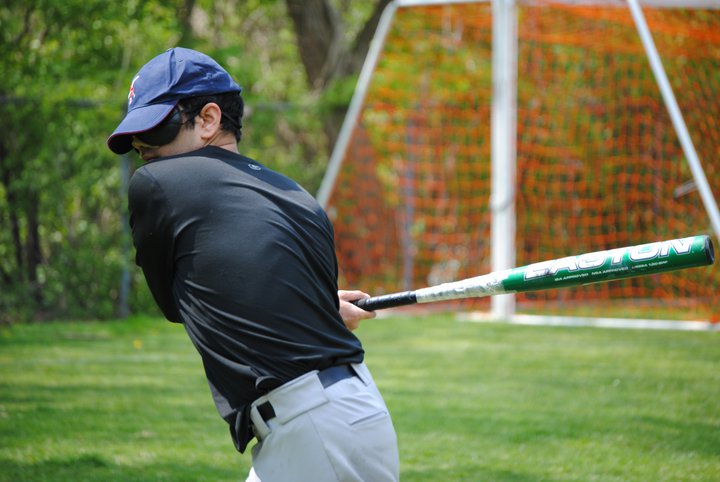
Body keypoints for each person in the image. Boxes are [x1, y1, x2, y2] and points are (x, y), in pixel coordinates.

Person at [107, 47, 399, 482]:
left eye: (155, 127)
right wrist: (316, 305)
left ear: (207, 119)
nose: (142, 147)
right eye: (135, 137)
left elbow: (176, 303)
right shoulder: (297, 196)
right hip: (350, 414)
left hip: (310, 428)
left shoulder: (156, 183)